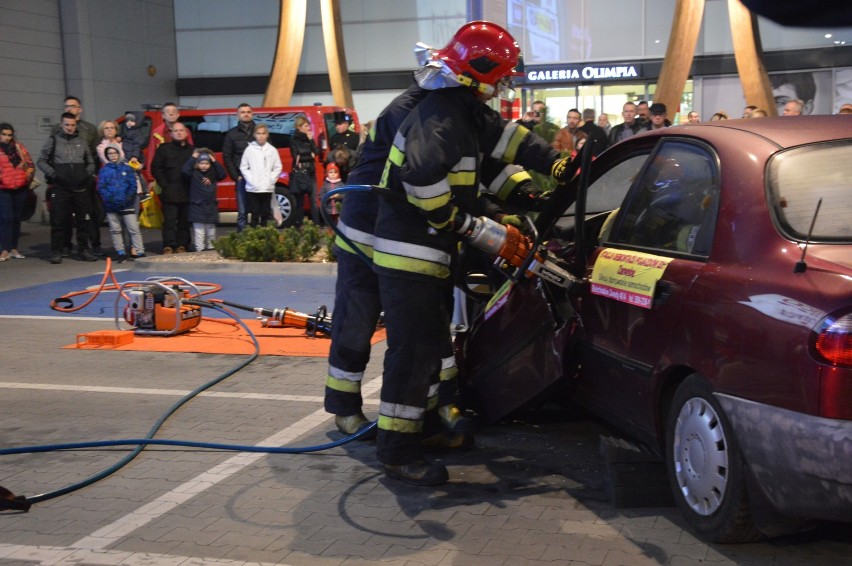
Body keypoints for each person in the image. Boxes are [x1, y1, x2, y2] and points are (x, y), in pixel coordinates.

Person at [372, 21, 576, 485]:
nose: (501, 85)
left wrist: (557, 164)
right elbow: (421, 179)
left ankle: (422, 431)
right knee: (413, 350)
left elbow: (509, 140)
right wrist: (466, 225)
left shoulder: (465, 109)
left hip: (427, 250)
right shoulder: (440, 114)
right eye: (499, 76)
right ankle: (398, 450)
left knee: (425, 346)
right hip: (411, 253)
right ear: (477, 71)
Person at [38, 112, 98, 264]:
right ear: (61, 125)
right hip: (60, 188)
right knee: (59, 221)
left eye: (72, 125)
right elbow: (41, 161)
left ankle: (83, 250)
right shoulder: (53, 140)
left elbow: (91, 163)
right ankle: (57, 251)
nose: (70, 128)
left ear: (75, 125)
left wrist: (86, 174)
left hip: (80, 188)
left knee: (83, 221)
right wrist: (54, 174)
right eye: (67, 125)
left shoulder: (82, 142)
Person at [51, 95, 101, 256]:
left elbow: (95, 154)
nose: (69, 108)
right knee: (63, 216)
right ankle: (65, 246)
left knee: (88, 215)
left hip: (84, 180)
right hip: (63, 181)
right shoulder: (56, 130)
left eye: (72, 106)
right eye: (66, 106)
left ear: (80, 109)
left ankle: (93, 244)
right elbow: (51, 155)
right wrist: (54, 175)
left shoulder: (89, 129)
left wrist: (90, 175)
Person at [151, 122, 194, 254]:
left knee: (184, 221)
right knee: (169, 221)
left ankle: (182, 245)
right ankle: (169, 245)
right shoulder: (164, 149)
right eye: (176, 131)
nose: (179, 133)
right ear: (171, 133)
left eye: (182, 130)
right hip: (169, 192)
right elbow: (156, 168)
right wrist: (164, 185)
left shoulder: (192, 151)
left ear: (186, 133)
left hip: (187, 192)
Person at [97, 146, 144, 263]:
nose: (113, 155)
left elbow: (133, 184)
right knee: (115, 230)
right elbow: (101, 187)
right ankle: (120, 252)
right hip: (111, 205)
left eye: (114, 153)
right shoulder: (104, 170)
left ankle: (140, 251)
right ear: (107, 156)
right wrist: (110, 199)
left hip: (127, 203)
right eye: (110, 154)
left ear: (119, 154)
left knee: (133, 228)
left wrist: (128, 197)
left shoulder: (127, 168)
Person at [0, 123, 35, 262]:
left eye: (9, 135)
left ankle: (13, 248)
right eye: (4, 134)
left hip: (20, 187)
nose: (7, 138)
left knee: (16, 219)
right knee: (6, 219)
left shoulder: (19, 147)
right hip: (3, 189)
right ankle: (4, 249)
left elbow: (30, 164)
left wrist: (26, 176)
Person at [239, 124, 282, 228]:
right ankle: (254, 237)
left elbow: (278, 167)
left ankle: (264, 237)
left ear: (267, 135)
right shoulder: (249, 150)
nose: (261, 136)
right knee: (254, 213)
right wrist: (251, 180)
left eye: (263, 133)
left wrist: (271, 180)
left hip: (267, 188)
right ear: (254, 135)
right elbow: (243, 167)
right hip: (253, 189)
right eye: (258, 133)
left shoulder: (272, 150)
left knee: (265, 214)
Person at [222, 103, 256, 233]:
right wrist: (236, 176)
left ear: (252, 114)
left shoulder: (259, 131)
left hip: (257, 177)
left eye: (248, 112)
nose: (246, 114)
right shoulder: (231, 134)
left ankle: (257, 238)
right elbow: (227, 156)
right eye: (243, 112)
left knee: (257, 210)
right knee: (242, 211)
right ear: (238, 115)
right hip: (242, 177)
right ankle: (241, 240)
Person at [184, 149, 226, 251]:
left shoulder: (213, 174)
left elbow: (223, 174)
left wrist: (215, 161)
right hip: (197, 206)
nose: (204, 165)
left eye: (207, 163)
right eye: (201, 163)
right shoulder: (194, 174)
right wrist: (193, 157)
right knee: (199, 232)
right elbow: (185, 170)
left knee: (211, 231)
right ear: (197, 163)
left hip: (210, 207)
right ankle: (199, 249)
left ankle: (211, 249)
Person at [288, 116, 321, 227]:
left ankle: (316, 224)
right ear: (299, 127)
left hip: (311, 172)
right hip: (301, 173)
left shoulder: (308, 139)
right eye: (306, 126)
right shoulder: (294, 140)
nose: (308, 128)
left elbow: (316, 152)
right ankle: (298, 225)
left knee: (313, 200)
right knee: (300, 201)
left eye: (308, 126)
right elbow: (296, 156)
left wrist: (311, 140)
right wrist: (309, 156)